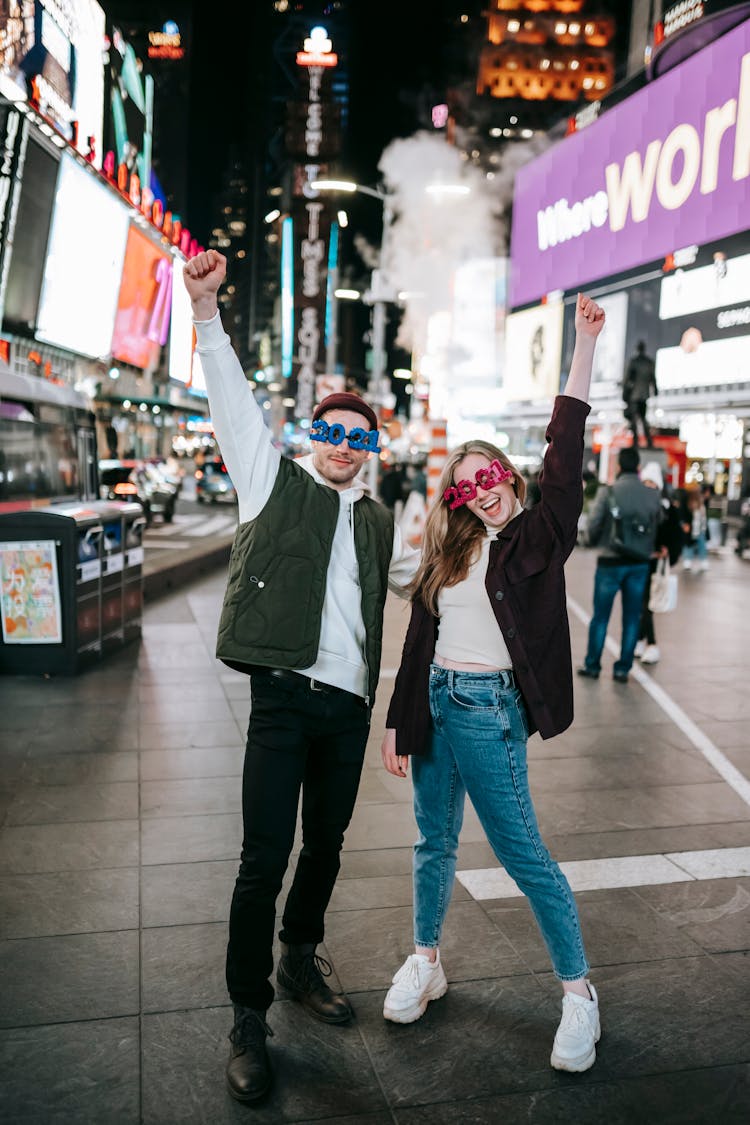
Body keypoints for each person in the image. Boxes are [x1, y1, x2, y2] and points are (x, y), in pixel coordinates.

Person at [182, 249, 419, 1105]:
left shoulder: (386, 523)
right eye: (333, 431)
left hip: (347, 711)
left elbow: (433, 580)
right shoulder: (268, 479)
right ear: (314, 435)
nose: (345, 446)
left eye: (360, 436)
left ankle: (295, 959)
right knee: (262, 856)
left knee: (325, 846)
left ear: (372, 448)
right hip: (282, 700)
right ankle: (248, 1015)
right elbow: (232, 401)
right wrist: (206, 312)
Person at [380, 294, 605, 1074]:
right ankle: (427, 959)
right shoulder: (453, 550)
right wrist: (398, 721)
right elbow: (419, 637)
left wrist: (581, 346)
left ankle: (579, 996)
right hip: (437, 704)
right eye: (465, 485)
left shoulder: (538, 534)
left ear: (508, 475)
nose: (480, 491)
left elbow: (566, 449)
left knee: (525, 856)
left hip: (489, 713)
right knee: (431, 843)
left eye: (489, 477)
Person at [579, 445, 662, 683]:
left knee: (601, 617)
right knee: (632, 617)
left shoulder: (609, 492)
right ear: (638, 467)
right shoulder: (652, 494)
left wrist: (588, 541)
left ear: (618, 466)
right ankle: (622, 669)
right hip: (639, 564)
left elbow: (594, 523)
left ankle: (593, 665)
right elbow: (658, 525)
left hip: (610, 562)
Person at [634, 462, 683, 665]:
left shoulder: (668, 508)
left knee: (647, 604)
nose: (649, 486)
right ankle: (640, 640)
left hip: (655, 563)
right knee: (643, 603)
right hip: (640, 559)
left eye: (652, 482)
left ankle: (652, 644)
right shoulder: (639, 504)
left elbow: (676, 535)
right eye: (646, 482)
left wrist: (668, 551)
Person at [622, 341, 657, 447]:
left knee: (634, 420)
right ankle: (649, 442)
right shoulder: (649, 362)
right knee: (643, 419)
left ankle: (636, 442)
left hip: (634, 395)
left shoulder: (634, 362)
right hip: (644, 395)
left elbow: (627, 379)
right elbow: (653, 379)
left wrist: (624, 394)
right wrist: (655, 390)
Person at [679, 487, 709, 572]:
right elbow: (682, 514)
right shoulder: (687, 502)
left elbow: (704, 517)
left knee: (701, 545)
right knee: (688, 545)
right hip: (691, 528)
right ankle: (688, 561)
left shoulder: (701, 502)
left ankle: (703, 562)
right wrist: (684, 524)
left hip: (700, 529)